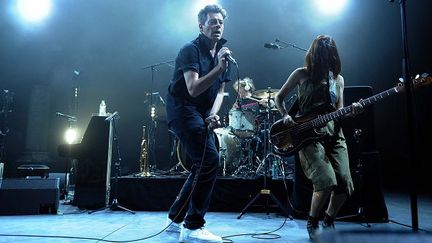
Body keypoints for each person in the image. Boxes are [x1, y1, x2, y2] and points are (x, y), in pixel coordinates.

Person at [275, 35, 363, 239]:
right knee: (325, 179)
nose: (325, 61)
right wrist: (286, 115)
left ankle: (329, 219)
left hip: (334, 134)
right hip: (307, 135)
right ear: (314, 55)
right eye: (322, 56)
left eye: (329, 57)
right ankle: (312, 221)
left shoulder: (338, 79)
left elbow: (340, 109)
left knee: (345, 183)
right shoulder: (301, 74)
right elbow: (279, 97)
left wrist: (352, 110)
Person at [165, 4, 232, 243]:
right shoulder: (190, 50)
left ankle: (175, 219)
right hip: (182, 109)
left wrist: (213, 115)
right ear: (201, 25)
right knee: (210, 160)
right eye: (212, 22)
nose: (217, 26)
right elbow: (193, 89)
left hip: (202, 112)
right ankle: (193, 225)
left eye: (220, 22)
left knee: (201, 163)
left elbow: (221, 92)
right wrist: (218, 68)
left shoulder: (223, 54)